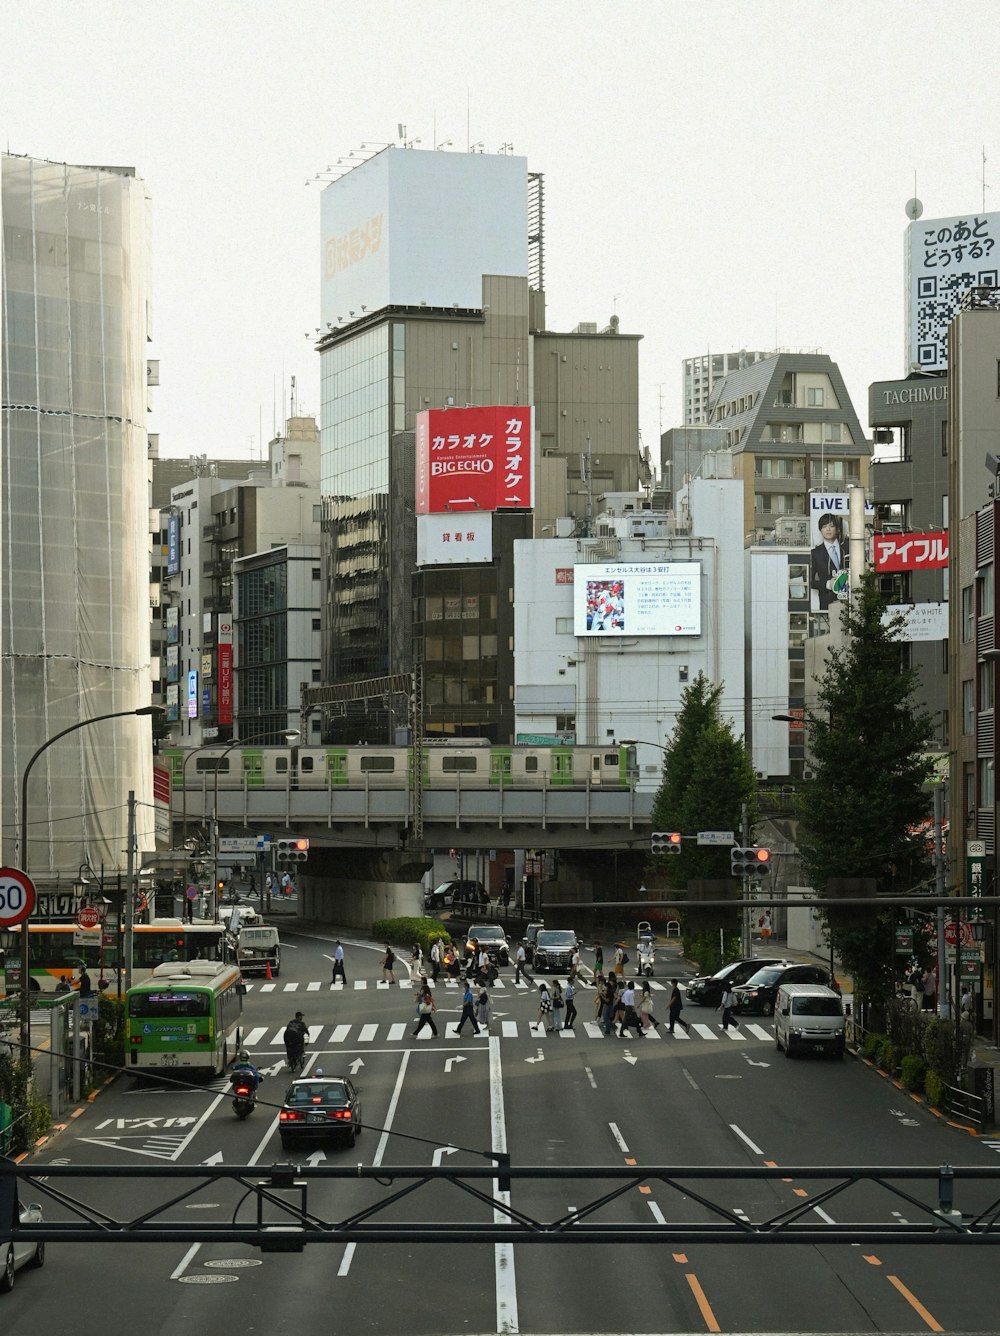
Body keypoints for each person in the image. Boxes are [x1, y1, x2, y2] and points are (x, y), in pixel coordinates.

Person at [810, 512, 847, 611]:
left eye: (831, 526)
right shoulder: (815, 553)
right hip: (827, 601)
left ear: (837, 529)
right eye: (824, 526)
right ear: (820, 530)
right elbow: (810, 581)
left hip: (849, 601)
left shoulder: (846, 549)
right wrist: (828, 584)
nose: (828, 529)